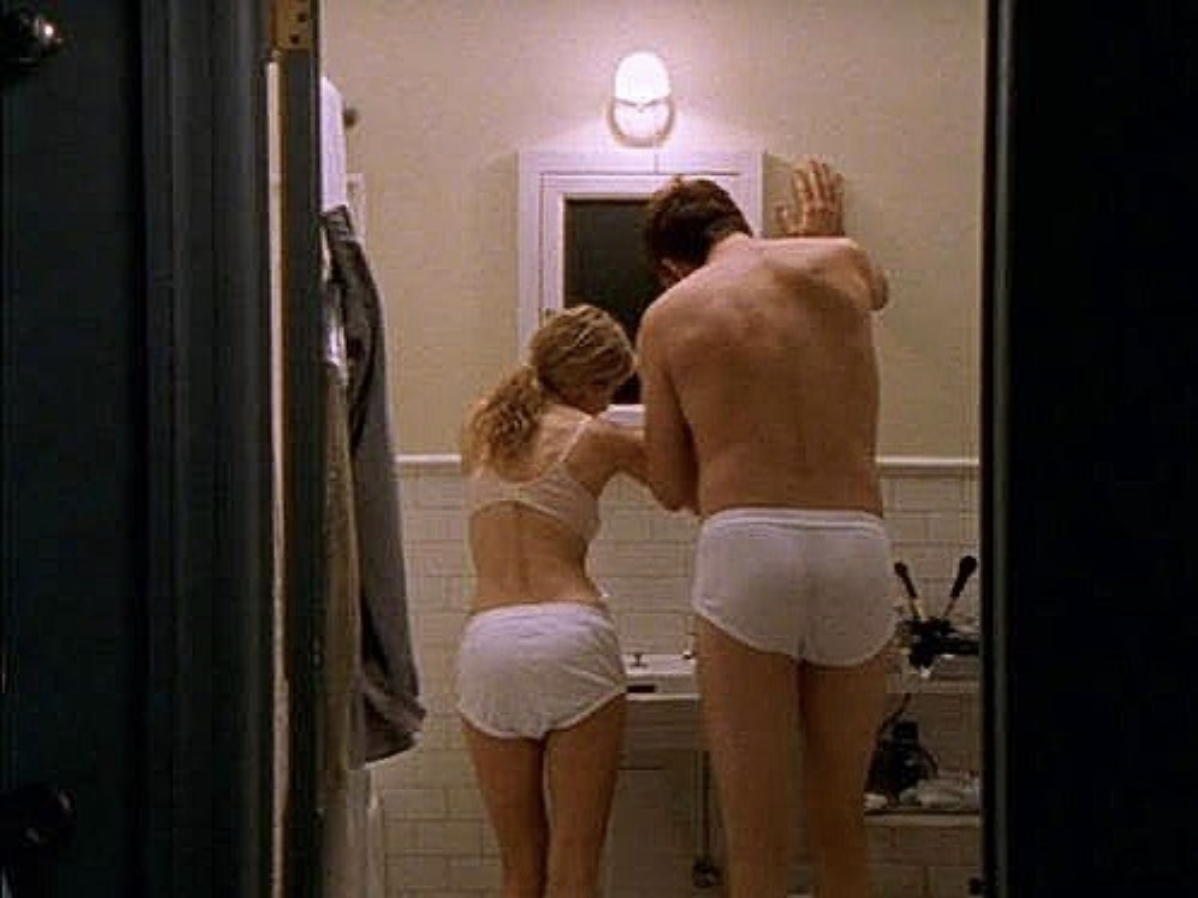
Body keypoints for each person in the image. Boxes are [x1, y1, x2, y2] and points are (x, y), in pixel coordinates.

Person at [635, 158, 894, 898]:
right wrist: (816, 235)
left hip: (747, 545)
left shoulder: (671, 314)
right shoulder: (841, 262)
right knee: (842, 822)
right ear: (738, 221)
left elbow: (669, 486)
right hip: (855, 543)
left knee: (756, 841)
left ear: (670, 265)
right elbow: (877, 292)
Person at [454, 303, 647, 898]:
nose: (606, 404)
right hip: (571, 638)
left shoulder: (480, 425)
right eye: (606, 388)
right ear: (587, 380)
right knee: (576, 863)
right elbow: (682, 489)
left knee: (519, 869)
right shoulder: (601, 437)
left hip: (490, 647)